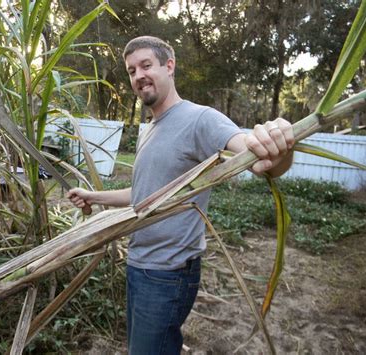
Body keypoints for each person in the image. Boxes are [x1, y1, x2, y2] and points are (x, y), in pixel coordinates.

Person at [66, 36, 294, 355]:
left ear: (169, 66)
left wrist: (279, 144)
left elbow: (261, 161)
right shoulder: (151, 128)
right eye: (132, 70)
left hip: (167, 273)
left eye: (146, 65)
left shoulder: (200, 119)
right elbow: (144, 194)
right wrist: (94, 196)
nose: (138, 75)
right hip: (140, 264)